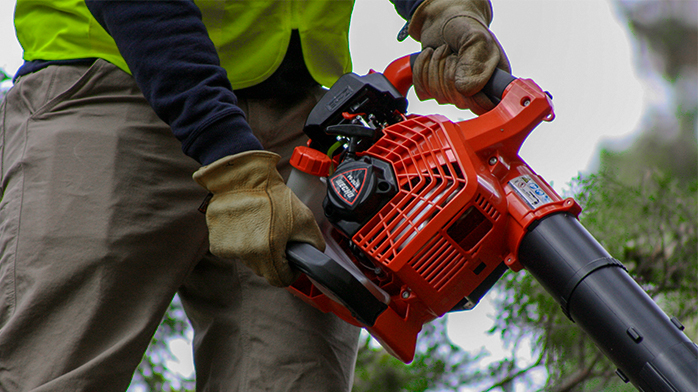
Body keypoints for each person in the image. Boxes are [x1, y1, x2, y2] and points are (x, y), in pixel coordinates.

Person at [0, 0, 508, 390]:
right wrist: (229, 155)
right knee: (53, 374)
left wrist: (441, 6)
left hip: (303, 126)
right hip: (115, 74)